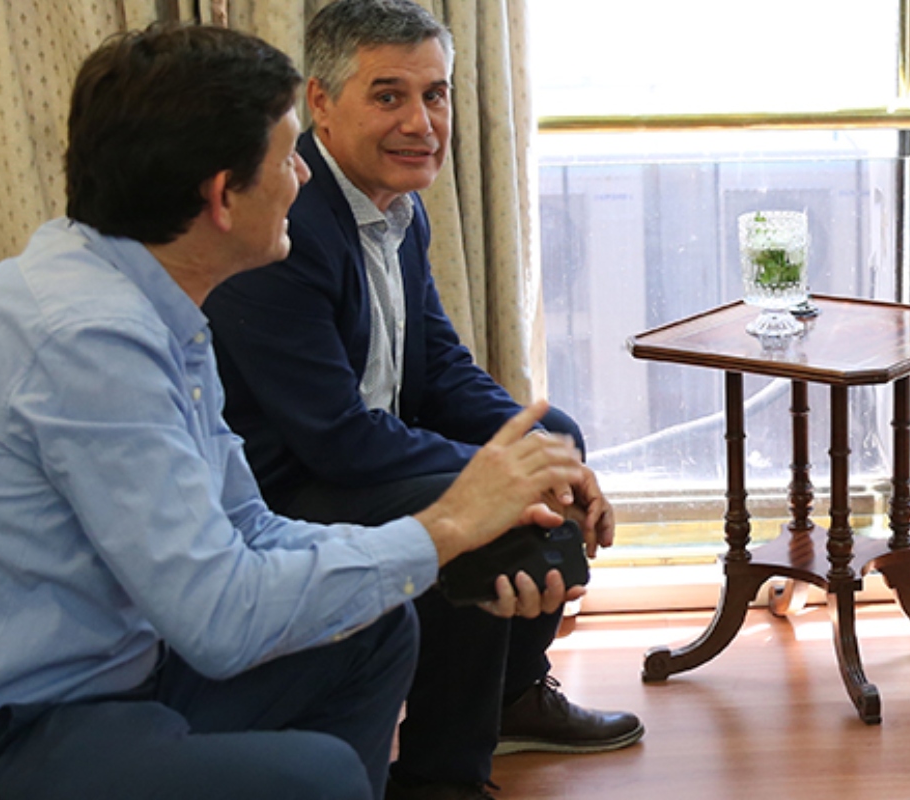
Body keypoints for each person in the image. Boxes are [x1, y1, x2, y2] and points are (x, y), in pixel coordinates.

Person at [0, 24, 592, 800]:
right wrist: (445, 528)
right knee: (319, 776)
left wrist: (443, 553)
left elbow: (249, 526)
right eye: (288, 159)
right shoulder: (88, 338)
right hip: (1, 723)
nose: (302, 176)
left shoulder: (147, 299)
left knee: (378, 630)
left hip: (114, 665)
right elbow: (222, 621)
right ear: (223, 196)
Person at [201, 2, 639, 797]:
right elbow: (336, 437)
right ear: (321, 102)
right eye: (389, 95)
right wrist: (501, 478)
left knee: (553, 439)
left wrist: (542, 449)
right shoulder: (286, 222)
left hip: (355, 457)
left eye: (434, 95)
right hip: (280, 490)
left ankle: (510, 695)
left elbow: (438, 369)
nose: (421, 122)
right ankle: (445, 777)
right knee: (482, 510)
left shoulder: (398, 205)